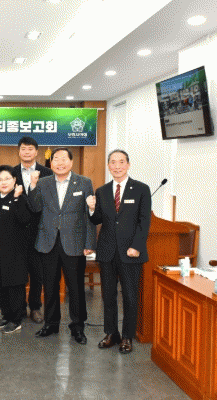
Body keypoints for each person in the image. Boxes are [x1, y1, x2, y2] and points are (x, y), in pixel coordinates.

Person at [86, 149, 151, 354]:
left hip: (130, 252)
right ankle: (111, 333)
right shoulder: (102, 191)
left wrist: (137, 246)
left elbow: (144, 221)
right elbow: (97, 219)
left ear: (128, 165)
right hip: (107, 251)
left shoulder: (141, 189)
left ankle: (127, 337)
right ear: (108, 166)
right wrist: (91, 208)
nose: (117, 166)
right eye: (113, 162)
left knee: (130, 296)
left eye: (121, 162)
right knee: (108, 296)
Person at [28, 147, 96, 341]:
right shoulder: (43, 183)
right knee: (50, 286)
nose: (59, 162)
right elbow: (35, 208)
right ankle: (51, 324)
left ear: (71, 162)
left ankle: (77, 327)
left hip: (74, 242)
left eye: (63, 159)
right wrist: (32, 186)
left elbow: (89, 214)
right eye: (56, 159)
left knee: (76, 287)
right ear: (51, 163)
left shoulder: (84, 182)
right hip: (48, 241)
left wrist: (90, 243)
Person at [0, 165, 31, 334]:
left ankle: (16, 319)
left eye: (7, 179)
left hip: (14, 252)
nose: (3, 182)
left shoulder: (21, 198)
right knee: (0, 285)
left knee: (14, 286)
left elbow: (24, 219)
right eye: (0, 179)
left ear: (14, 180)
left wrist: (17, 198)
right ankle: (6, 315)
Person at [13, 136, 52, 323]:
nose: (26, 152)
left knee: (37, 271)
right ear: (19, 151)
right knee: (19, 270)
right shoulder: (11, 172)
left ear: (36, 152)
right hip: (17, 229)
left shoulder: (47, 172)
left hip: (40, 229)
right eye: (23, 148)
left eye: (30, 149)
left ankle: (35, 306)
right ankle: (20, 307)